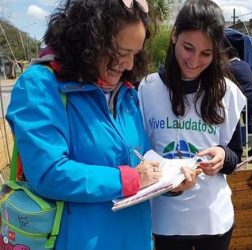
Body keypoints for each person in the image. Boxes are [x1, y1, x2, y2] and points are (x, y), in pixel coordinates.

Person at [6, 0, 163, 249]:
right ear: (89, 40)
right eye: (121, 53)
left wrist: (169, 178)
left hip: (136, 238)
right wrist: (128, 179)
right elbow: (49, 173)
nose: (130, 65)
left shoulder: (125, 91)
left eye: (135, 53)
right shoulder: (41, 86)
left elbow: (140, 158)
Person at [138, 0, 246, 249]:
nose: (195, 60)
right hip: (166, 222)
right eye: (188, 47)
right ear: (174, 35)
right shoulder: (148, 88)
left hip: (213, 222)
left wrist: (222, 155)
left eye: (206, 53)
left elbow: (235, 156)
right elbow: (140, 153)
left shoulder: (227, 93)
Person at [223, 46, 252, 155]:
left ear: (227, 56)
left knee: (235, 123)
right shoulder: (247, 65)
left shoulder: (227, 67)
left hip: (238, 97)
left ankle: (236, 150)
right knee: (249, 122)